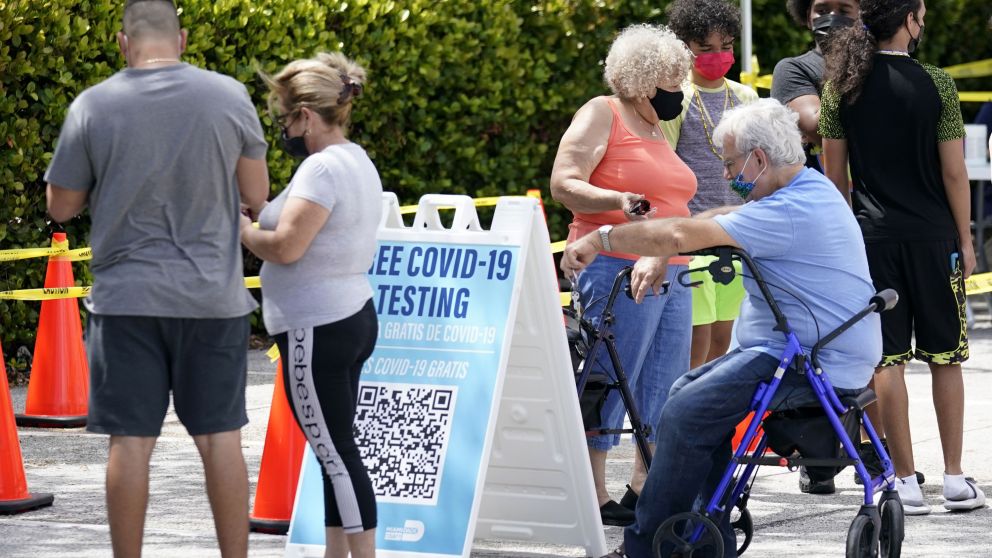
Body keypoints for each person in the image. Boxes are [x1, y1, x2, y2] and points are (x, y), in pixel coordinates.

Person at [562, 99, 882, 558]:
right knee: (685, 396)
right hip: (803, 349)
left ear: (758, 159)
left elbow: (677, 236)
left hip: (808, 358)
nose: (728, 172)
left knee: (686, 411)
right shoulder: (808, 189)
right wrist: (660, 251)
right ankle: (698, 529)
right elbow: (716, 219)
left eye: (731, 163)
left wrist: (601, 238)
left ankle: (650, 547)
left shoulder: (785, 213)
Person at [44, 1, 269, 556]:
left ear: (123, 43)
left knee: (132, 442)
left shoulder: (93, 105)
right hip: (213, 299)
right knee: (220, 440)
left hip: (126, 302)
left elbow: (61, 206)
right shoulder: (228, 96)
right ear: (183, 39)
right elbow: (257, 196)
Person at [820, 0, 986, 515]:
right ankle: (955, 479)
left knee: (887, 360)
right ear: (910, 21)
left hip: (871, 241)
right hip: (934, 238)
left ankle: (905, 478)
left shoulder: (840, 86)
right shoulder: (937, 83)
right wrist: (966, 237)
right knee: (946, 356)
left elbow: (835, 179)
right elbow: (955, 172)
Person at [549, 23, 696, 526]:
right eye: (671, 81)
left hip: (673, 270)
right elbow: (564, 183)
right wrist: (617, 202)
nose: (679, 91)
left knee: (663, 385)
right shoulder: (603, 112)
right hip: (612, 265)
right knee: (611, 378)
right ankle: (592, 492)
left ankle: (641, 486)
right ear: (641, 80)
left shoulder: (657, 126)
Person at [240, 52, 381, 558]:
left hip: (317, 326)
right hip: (347, 316)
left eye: (283, 115)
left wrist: (243, 230)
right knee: (333, 451)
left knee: (336, 453)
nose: (282, 126)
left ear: (305, 115)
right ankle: (334, 552)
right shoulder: (354, 158)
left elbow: (287, 247)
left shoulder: (321, 168)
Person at [661, 0, 756, 373]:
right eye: (706, 48)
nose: (718, 55)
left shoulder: (746, 97)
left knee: (723, 336)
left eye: (726, 46)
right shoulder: (676, 99)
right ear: (685, 48)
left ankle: (708, 415)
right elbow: (665, 163)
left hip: (735, 235)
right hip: (692, 235)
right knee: (695, 337)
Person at [771, 0, 859, 173]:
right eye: (822, 10)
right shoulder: (792, 69)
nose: (832, 17)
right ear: (808, 18)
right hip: (817, 193)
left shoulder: (877, 64)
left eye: (844, 10)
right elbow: (818, 129)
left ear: (862, 16)